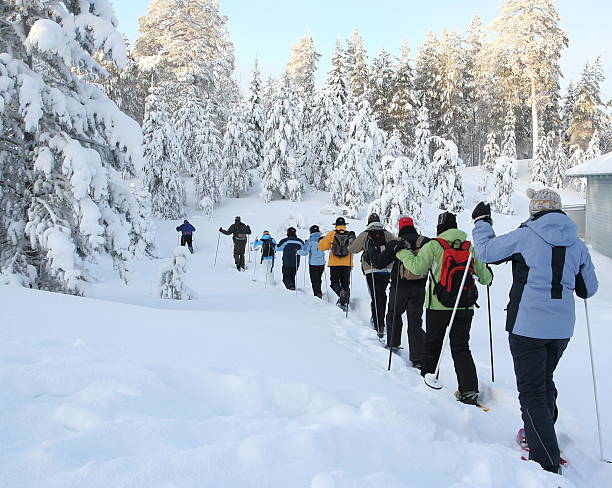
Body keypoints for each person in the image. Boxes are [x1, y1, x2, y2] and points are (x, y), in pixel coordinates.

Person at [471, 189, 598, 474]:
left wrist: (481, 222)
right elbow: (589, 289)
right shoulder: (577, 244)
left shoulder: (527, 234)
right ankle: (538, 433)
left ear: (534, 210)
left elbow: (486, 252)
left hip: (527, 326)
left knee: (532, 391)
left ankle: (545, 459)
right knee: (543, 381)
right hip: (561, 329)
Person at [395, 211, 492, 404]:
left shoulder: (434, 245)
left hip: (438, 306)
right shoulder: (469, 247)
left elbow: (416, 268)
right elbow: (486, 278)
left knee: (433, 343)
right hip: (464, 306)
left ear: (440, 229)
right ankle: (469, 390)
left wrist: (401, 252)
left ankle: (428, 381)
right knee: (461, 346)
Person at [370, 216, 430, 367]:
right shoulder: (425, 242)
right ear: (413, 226)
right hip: (419, 287)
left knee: (394, 314)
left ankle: (393, 344)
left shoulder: (396, 243)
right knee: (415, 322)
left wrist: (372, 252)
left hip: (399, 287)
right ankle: (417, 358)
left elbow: (379, 263)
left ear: (400, 227)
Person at [348, 213, 394, 335]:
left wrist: (351, 240)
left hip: (370, 269)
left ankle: (378, 323)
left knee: (375, 296)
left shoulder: (365, 234)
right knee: (382, 294)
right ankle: (381, 322)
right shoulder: (387, 234)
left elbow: (352, 249)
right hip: (386, 269)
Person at [318, 217, 355, 311]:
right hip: (347, 264)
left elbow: (322, 247)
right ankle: (344, 302)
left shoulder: (332, 234)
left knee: (334, 282)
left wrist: (320, 240)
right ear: (345, 225)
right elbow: (354, 248)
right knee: (345, 283)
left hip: (334, 264)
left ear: (336, 225)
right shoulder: (350, 235)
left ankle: (340, 293)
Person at [297, 225, 326, 298]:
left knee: (314, 280)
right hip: (322, 263)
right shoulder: (323, 239)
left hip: (313, 264)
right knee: (319, 279)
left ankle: (317, 295)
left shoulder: (310, 240)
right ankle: (319, 292)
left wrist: (297, 251)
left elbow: (304, 252)